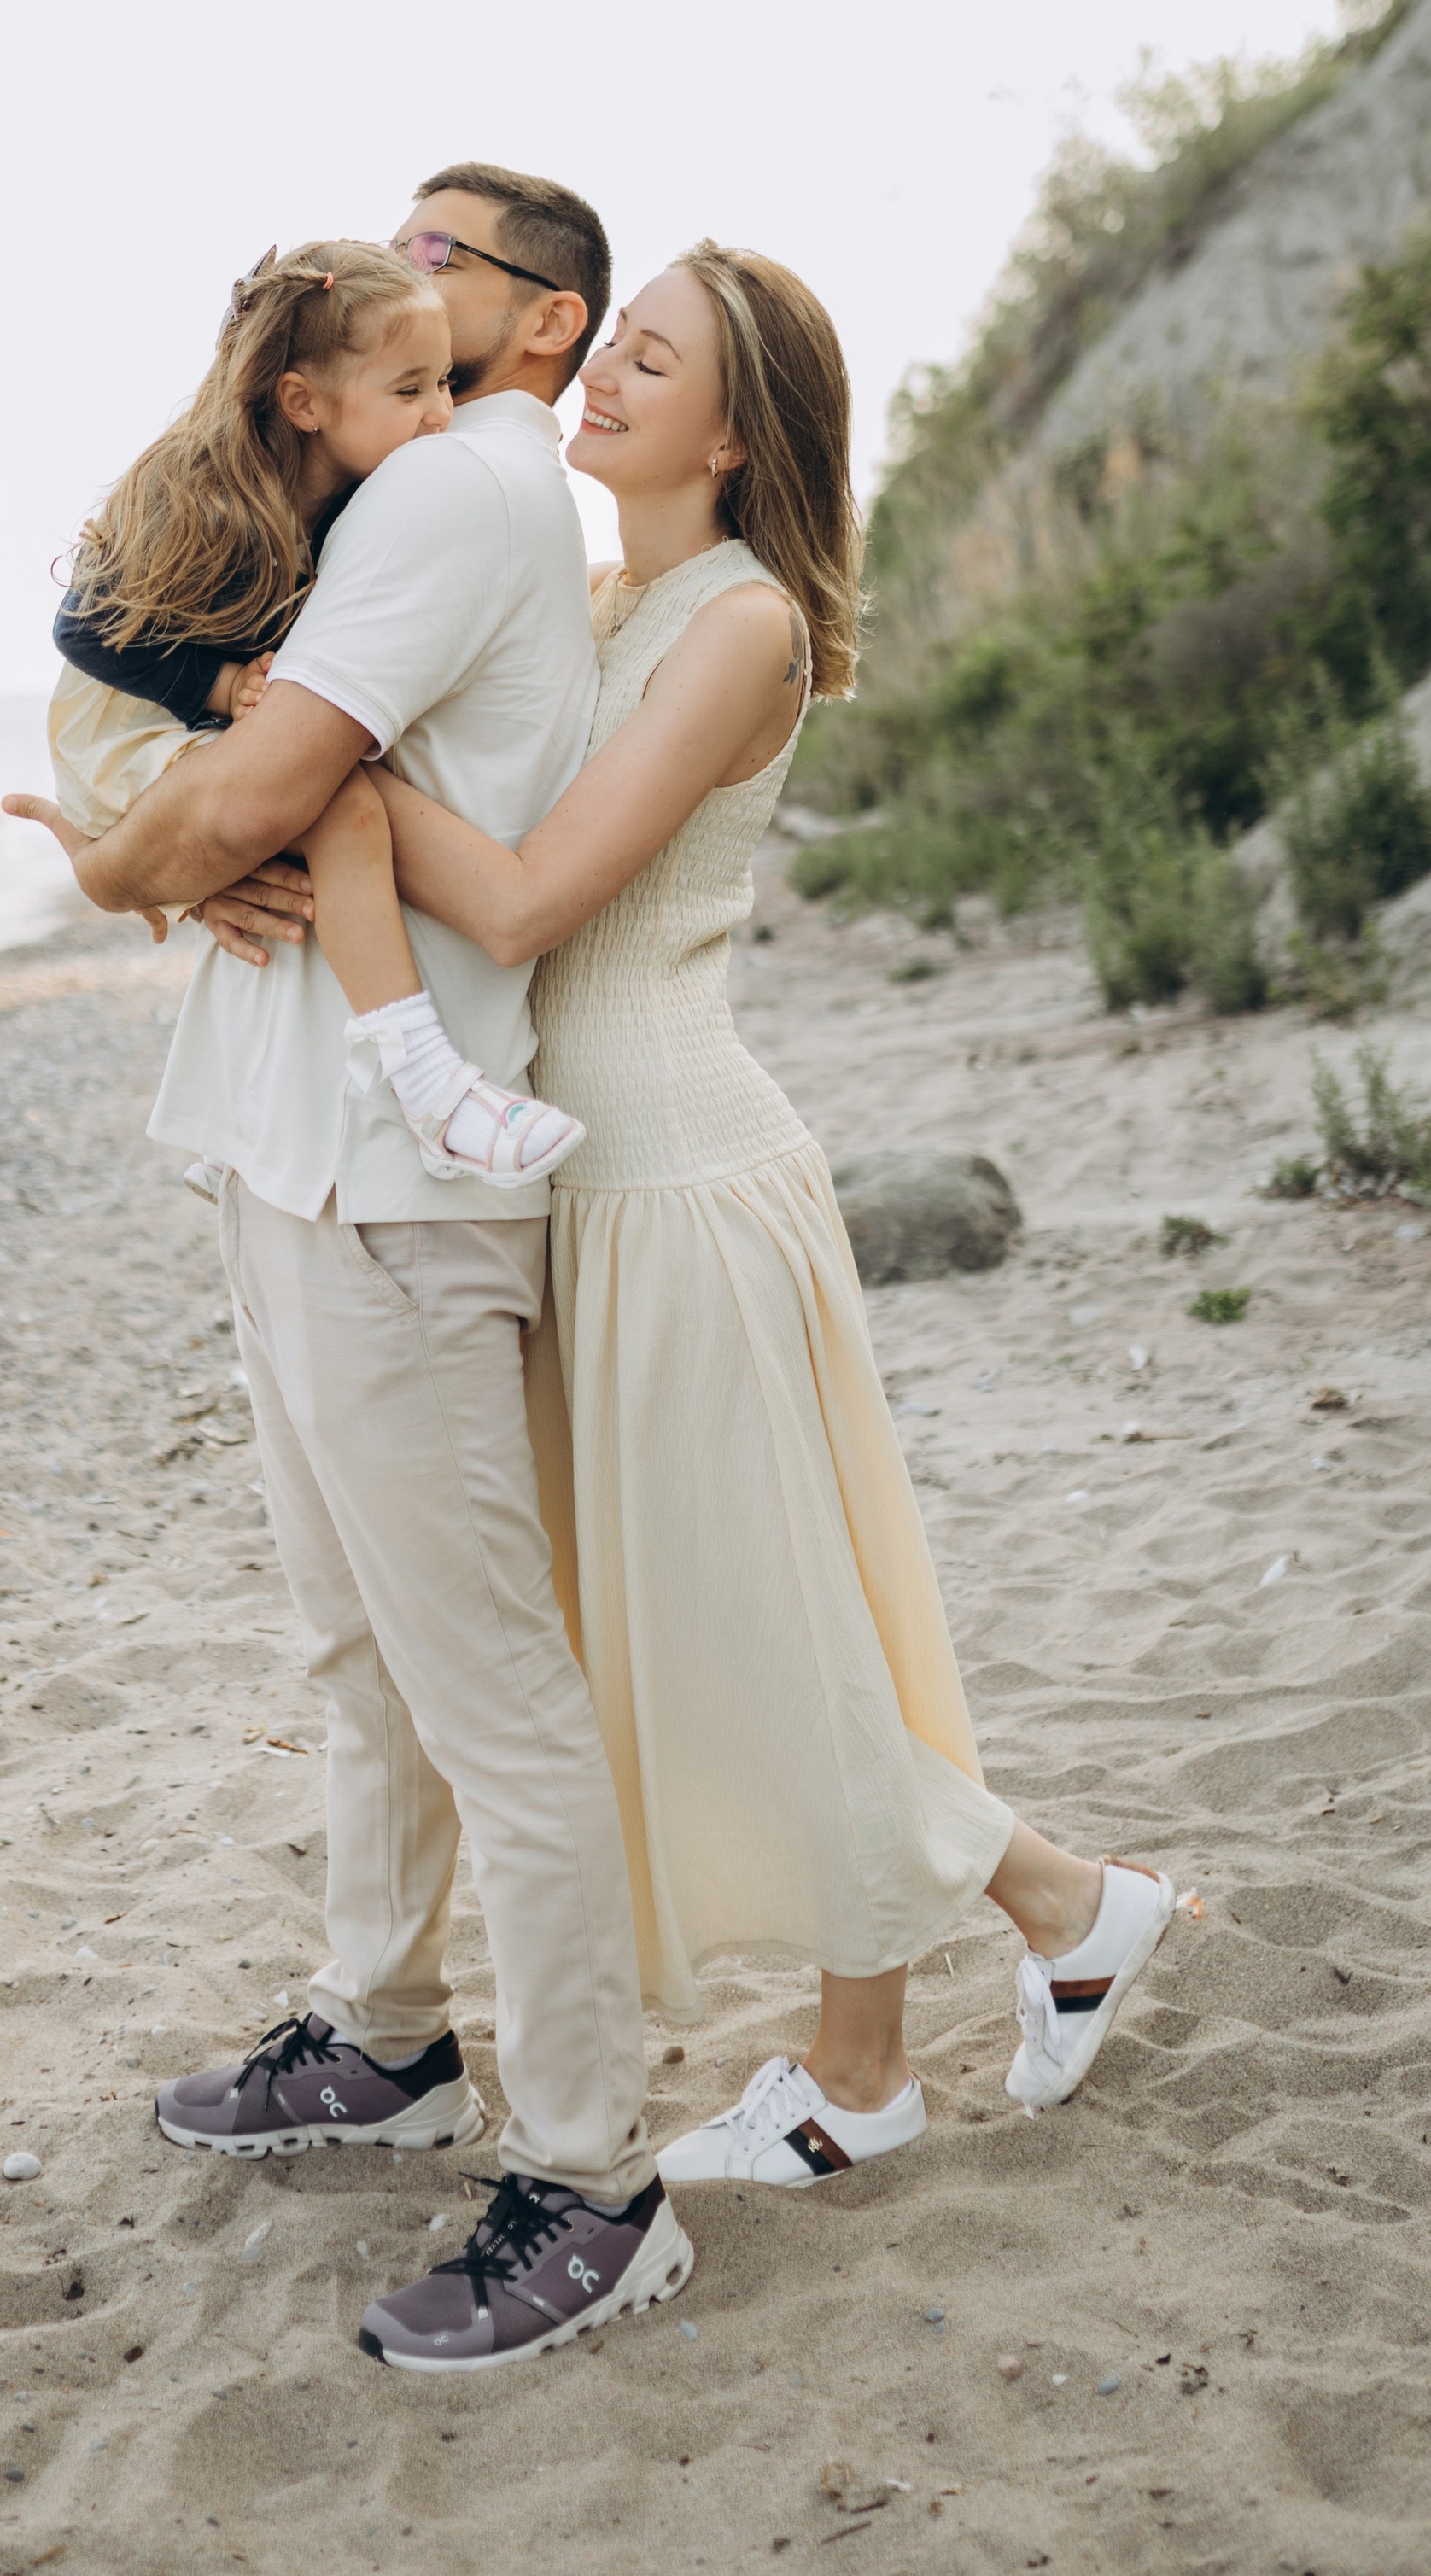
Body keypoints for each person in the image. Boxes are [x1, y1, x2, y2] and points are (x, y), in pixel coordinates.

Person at [295, 241, 1177, 2188]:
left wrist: (319, 775)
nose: (598, 373)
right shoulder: (611, 592)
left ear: (738, 422)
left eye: (650, 357)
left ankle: (917, 2027)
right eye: (610, 344)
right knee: (741, 1633)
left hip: (675, 1177)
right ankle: (1033, 1931)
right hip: (586, 1179)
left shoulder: (734, 626)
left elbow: (527, 903)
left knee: (767, 1639)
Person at [5, 165, 698, 2372]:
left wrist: (142, 865)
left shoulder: (458, 500)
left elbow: (264, 786)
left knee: (493, 1693)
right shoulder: (409, 497)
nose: (409, 281)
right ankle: (382, 2034)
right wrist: (199, 841)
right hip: (291, 1154)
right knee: (355, 1652)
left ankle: (596, 2174)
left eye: (445, 265)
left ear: (543, 325)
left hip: (389, 1197)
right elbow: (250, 771)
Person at [15, 237, 584, 1189]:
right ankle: (432, 1086)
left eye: (444, 384)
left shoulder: (370, 487)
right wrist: (217, 687)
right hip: (126, 723)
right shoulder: (207, 488)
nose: (442, 415)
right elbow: (82, 628)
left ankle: (240, 1122)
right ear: (304, 403)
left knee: (293, 863)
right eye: (411, 392)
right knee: (345, 806)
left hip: (193, 729)